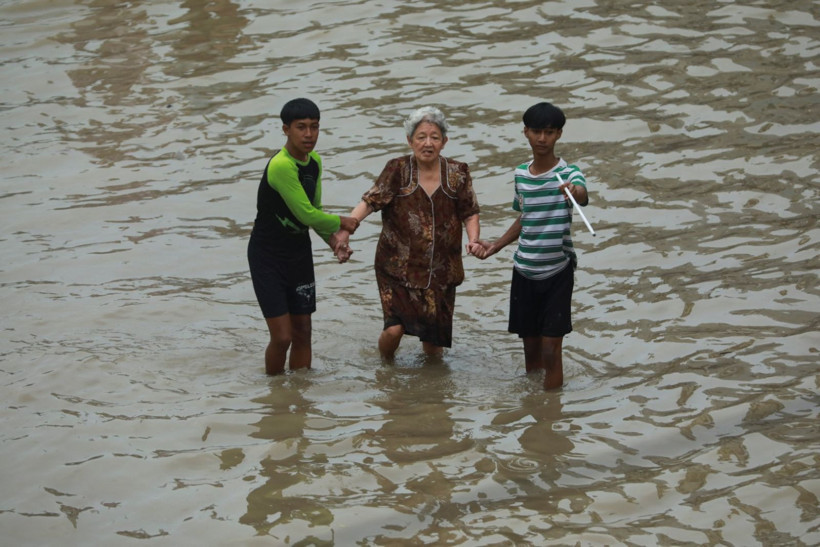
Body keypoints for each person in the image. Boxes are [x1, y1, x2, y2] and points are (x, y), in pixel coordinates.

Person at [335, 106, 482, 359]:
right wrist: (346, 229)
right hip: (397, 268)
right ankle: (385, 369)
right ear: (409, 141)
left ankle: (430, 394)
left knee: (433, 347)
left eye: (434, 137)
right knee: (394, 330)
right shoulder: (397, 169)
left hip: (441, 270)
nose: (428, 143)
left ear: (444, 142)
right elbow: (370, 201)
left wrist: (474, 240)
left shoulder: (458, 173)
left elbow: (469, 211)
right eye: (421, 137)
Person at [472, 102, 589, 390]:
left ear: (559, 134)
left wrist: (574, 192)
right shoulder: (521, 175)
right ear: (525, 132)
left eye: (549, 132)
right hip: (524, 270)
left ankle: (551, 412)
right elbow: (525, 217)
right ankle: (536, 411)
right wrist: (496, 246)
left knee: (551, 349)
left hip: (557, 271)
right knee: (531, 351)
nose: (542, 138)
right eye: (536, 131)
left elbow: (583, 196)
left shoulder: (569, 174)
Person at [247, 98, 359, 375]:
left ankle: (299, 397)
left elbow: (314, 212)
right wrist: (344, 221)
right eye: (301, 128)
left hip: (298, 254)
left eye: (314, 127)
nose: (309, 135)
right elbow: (306, 214)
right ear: (286, 130)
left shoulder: (315, 162)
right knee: (282, 337)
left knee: (303, 332)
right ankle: (274, 396)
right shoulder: (281, 165)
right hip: (268, 256)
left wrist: (334, 241)